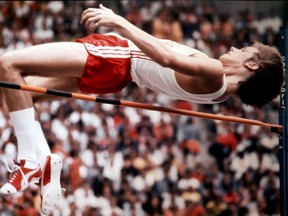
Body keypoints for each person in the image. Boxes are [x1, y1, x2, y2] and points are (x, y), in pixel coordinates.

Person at [0, 4, 283, 214]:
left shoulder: (215, 73)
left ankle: (29, 160)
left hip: (117, 56)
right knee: (19, 95)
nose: (234, 48)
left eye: (243, 50)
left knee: (8, 64)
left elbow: (166, 57)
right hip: (119, 75)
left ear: (252, 65)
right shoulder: (220, 94)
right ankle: (45, 165)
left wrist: (118, 21)